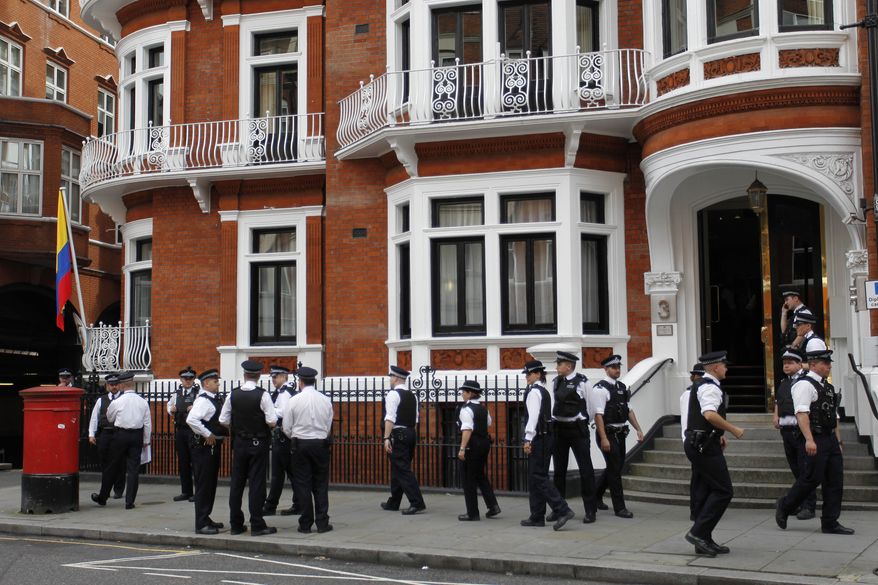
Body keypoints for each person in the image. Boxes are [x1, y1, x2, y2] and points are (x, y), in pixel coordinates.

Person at [775, 350, 853, 535]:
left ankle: (830, 522)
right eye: (825, 363)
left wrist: (838, 441)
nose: (829, 366)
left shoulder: (826, 386)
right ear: (813, 365)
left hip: (829, 438)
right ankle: (785, 506)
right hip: (814, 437)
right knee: (811, 478)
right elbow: (801, 414)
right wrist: (809, 439)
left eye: (829, 363)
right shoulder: (804, 385)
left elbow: (832, 416)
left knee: (835, 479)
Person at [683, 351, 745, 557]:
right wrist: (732, 429)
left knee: (706, 489)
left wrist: (718, 434)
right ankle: (698, 533)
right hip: (704, 446)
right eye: (724, 365)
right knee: (723, 490)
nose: (726, 369)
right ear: (715, 367)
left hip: (701, 442)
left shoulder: (701, 385)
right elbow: (709, 414)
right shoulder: (710, 387)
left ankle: (704, 539)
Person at [219, 360, 278, 536]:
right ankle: (257, 523)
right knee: (257, 484)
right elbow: (272, 421)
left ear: (244, 375)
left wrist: (237, 427)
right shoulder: (263, 395)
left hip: (239, 443)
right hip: (258, 443)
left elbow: (223, 420)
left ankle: (236, 524)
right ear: (259, 375)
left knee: (236, 483)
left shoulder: (233, 395)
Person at [520, 360, 575, 531]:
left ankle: (562, 509)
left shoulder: (535, 393)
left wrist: (528, 439)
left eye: (529, 374)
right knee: (536, 476)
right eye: (527, 374)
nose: (527, 377)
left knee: (538, 476)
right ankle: (537, 516)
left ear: (537, 374)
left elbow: (533, 417)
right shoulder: (542, 391)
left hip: (539, 437)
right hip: (546, 436)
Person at [283, 366, 334, 534]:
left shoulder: (294, 400)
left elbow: (286, 427)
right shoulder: (325, 400)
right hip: (320, 444)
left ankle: (305, 523)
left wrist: (296, 437)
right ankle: (322, 523)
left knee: (302, 484)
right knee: (321, 484)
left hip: (300, 444)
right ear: (314, 381)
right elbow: (328, 425)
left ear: (300, 382)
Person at [592, 355, 643, 518]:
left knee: (615, 467)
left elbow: (629, 410)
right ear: (606, 369)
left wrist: (638, 429)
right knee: (615, 470)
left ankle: (595, 496)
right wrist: (604, 438)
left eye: (618, 367)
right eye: (613, 367)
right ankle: (620, 508)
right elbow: (598, 415)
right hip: (607, 433)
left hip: (620, 434)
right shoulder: (600, 389)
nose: (617, 370)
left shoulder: (621, 387)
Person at [91, 371, 151, 510]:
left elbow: (110, 418)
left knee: (111, 466)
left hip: (120, 435)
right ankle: (129, 502)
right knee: (133, 469)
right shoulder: (143, 402)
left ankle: (103, 497)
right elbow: (147, 423)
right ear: (133, 384)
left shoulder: (117, 402)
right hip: (137, 436)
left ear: (122, 385)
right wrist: (146, 440)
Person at [550, 350, 596, 523]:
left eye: (559, 364)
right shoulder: (556, 382)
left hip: (577, 430)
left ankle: (590, 510)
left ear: (568, 366)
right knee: (559, 471)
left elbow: (591, 408)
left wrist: (582, 422)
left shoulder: (583, 383)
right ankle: (559, 509)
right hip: (560, 430)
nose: (556, 367)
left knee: (586, 470)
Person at [772, 347, 817, 521]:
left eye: (790, 363)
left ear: (800, 364)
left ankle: (809, 506)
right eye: (784, 363)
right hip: (786, 432)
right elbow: (778, 401)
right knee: (797, 471)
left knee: (806, 471)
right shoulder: (784, 382)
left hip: (800, 433)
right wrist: (775, 415)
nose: (786, 366)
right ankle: (799, 502)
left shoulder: (806, 382)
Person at [186, 369, 228, 535]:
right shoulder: (204, 401)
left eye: (217, 380)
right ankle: (201, 523)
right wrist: (207, 433)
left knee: (210, 484)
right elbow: (191, 419)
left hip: (211, 447)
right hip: (204, 448)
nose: (218, 383)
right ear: (206, 384)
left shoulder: (212, 398)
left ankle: (206, 517)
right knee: (204, 485)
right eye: (215, 381)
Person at [380, 365, 426, 515]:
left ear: (397, 378)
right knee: (398, 468)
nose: (390, 380)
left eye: (391, 377)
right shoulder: (413, 396)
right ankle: (394, 501)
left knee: (402, 469)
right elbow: (416, 419)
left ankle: (416, 502)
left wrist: (386, 437)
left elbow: (390, 417)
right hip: (410, 432)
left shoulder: (393, 395)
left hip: (398, 433)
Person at [456, 380, 500, 521]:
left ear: (470, 393)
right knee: (480, 475)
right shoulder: (483, 408)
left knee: (468, 478)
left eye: (464, 391)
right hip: (484, 443)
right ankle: (493, 506)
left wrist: (462, 448)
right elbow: (488, 423)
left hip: (472, 445)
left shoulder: (466, 409)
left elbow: (467, 429)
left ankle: (472, 513)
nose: (462, 394)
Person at [263, 365, 301, 517]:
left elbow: (285, 412)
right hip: (282, 437)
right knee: (285, 473)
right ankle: (294, 504)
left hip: (284, 437)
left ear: (284, 377)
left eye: (276, 376)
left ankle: (272, 506)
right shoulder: (279, 393)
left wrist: (269, 411)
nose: (273, 379)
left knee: (281, 474)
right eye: (272, 376)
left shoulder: (285, 393)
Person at [87, 373, 125, 500]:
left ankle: (118, 489)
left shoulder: (124, 398)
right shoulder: (101, 400)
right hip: (105, 433)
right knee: (104, 461)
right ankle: (106, 488)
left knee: (120, 461)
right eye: (111, 384)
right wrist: (91, 434)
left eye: (116, 384)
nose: (114, 387)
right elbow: (94, 418)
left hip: (119, 432)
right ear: (107, 385)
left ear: (120, 385)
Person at [167, 366, 199, 502]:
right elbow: (169, 406)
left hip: (193, 431)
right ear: (181, 379)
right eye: (185, 379)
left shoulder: (199, 392)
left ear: (193, 379)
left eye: (190, 378)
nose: (188, 381)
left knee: (196, 462)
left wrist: (194, 407)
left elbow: (203, 406)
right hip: (180, 430)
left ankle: (198, 492)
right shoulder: (176, 393)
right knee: (183, 462)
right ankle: (186, 491)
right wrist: (171, 409)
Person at [681, 363, 704, 521]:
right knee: (698, 476)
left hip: (702, 439)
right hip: (695, 439)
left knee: (702, 476)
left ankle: (700, 507)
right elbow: (685, 418)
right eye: (698, 376)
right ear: (693, 377)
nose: (701, 379)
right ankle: (696, 509)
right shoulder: (689, 394)